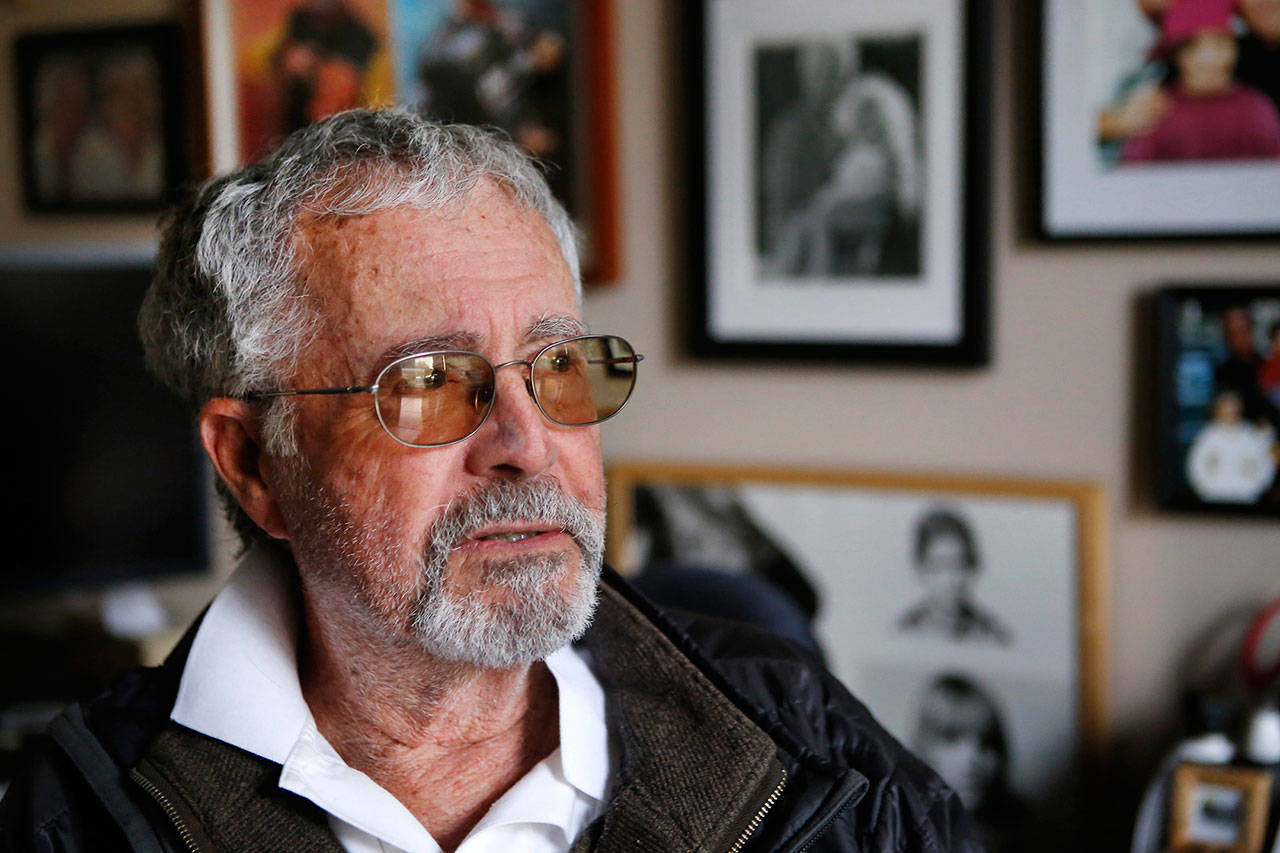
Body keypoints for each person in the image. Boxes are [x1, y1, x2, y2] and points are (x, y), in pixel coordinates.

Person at [0, 109, 974, 852]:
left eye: (556, 366)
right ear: (257, 463)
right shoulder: (72, 817)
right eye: (426, 380)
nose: (526, 439)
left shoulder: (809, 747)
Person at [1120, 0, 1280, 164]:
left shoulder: (1257, 109)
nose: (1209, 58)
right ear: (1175, 55)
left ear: (1235, 50)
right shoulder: (1155, 110)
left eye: (1220, 44)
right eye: (1192, 47)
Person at [913, 674, 1026, 853]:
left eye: (988, 740)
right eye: (952, 736)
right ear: (924, 744)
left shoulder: (1027, 829)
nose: (974, 758)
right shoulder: (897, 820)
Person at [897, 508, 1012, 645]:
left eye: (959, 565)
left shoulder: (992, 636)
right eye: (939, 566)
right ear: (921, 570)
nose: (951, 580)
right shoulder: (902, 633)